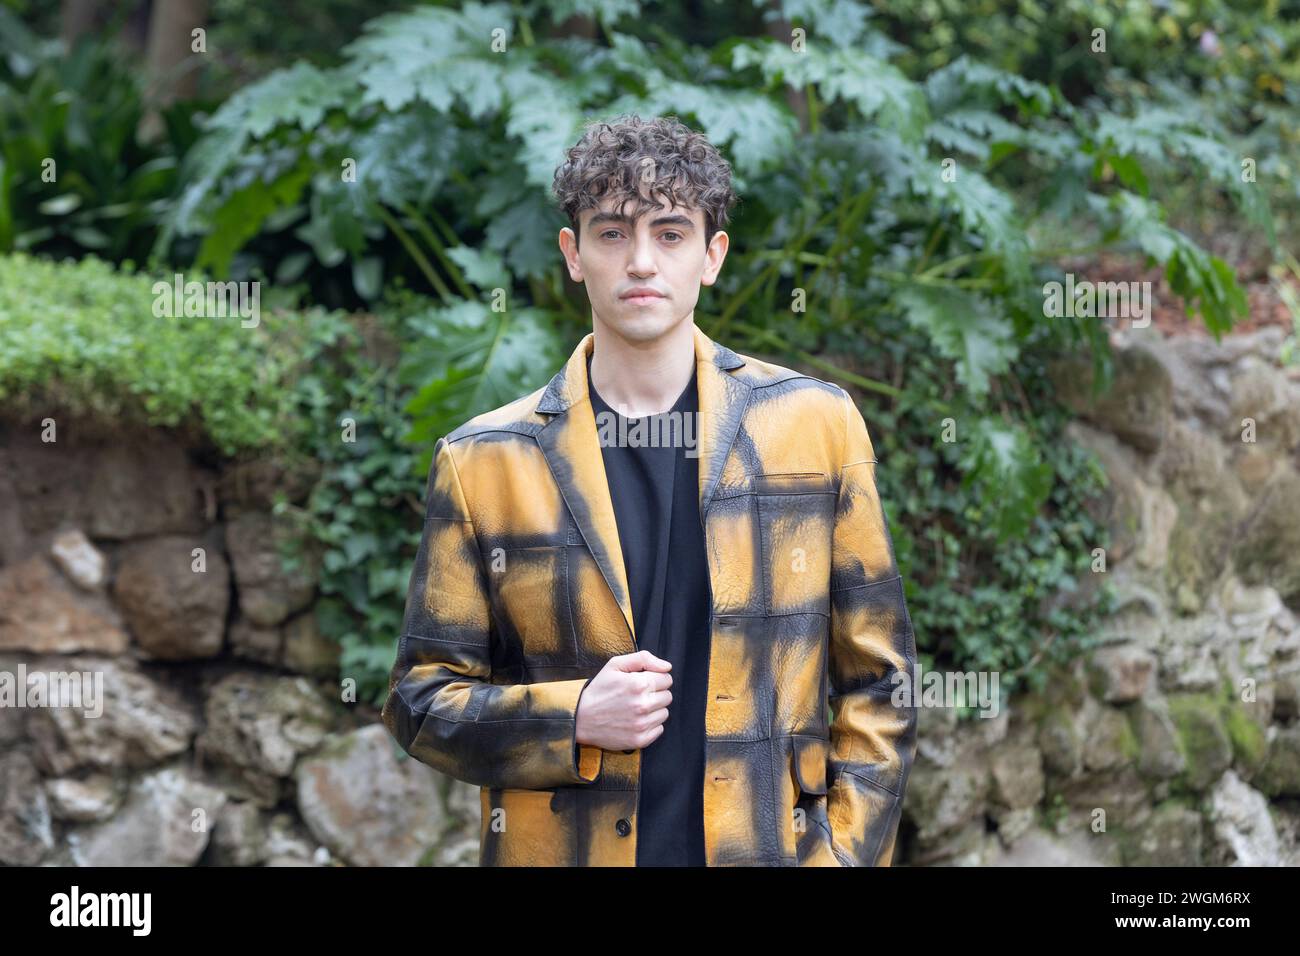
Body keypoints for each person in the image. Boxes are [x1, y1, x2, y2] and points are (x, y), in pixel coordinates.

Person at [381, 114, 918, 867]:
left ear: (712, 255)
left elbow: (880, 684)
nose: (640, 262)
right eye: (610, 233)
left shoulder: (815, 426)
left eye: (669, 233)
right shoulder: (486, 461)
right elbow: (418, 703)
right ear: (573, 254)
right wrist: (572, 717)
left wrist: (841, 858)